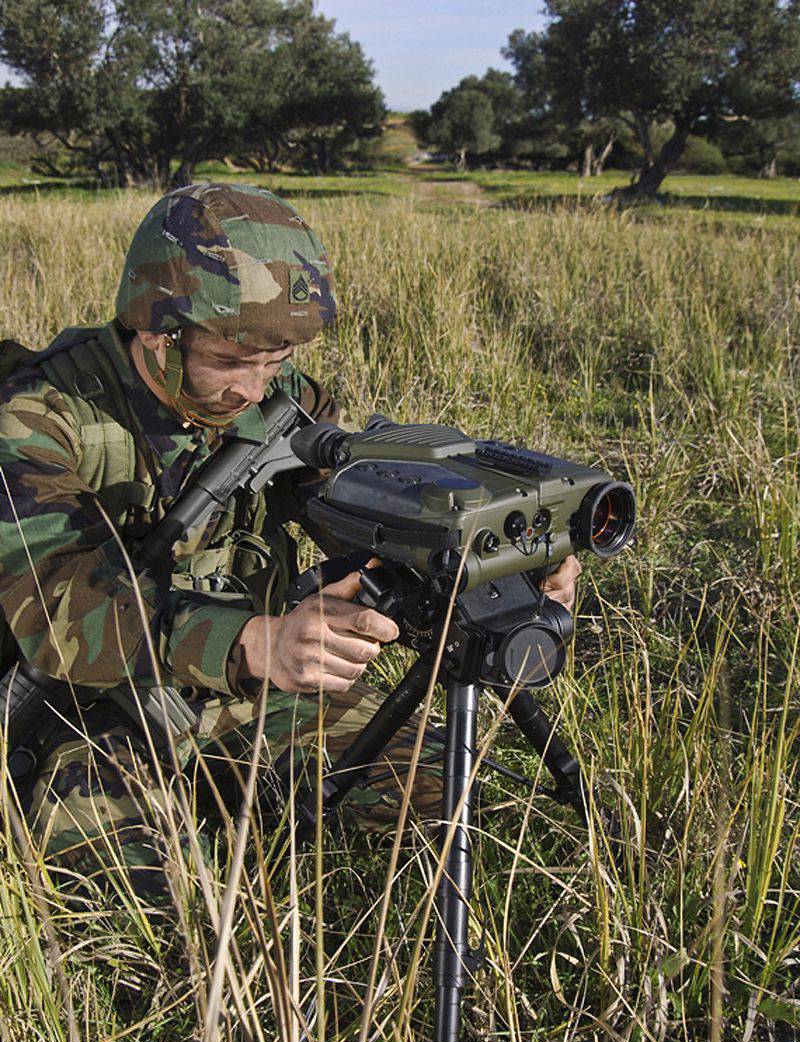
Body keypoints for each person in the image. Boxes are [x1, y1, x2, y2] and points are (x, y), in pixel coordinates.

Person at [0, 182, 580, 901]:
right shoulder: (39, 420)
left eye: (275, 360)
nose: (254, 388)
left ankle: (236, 792)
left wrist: (511, 551)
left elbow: (364, 505)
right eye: (232, 360)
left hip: (244, 691)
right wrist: (254, 642)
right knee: (168, 914)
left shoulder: (282, 399)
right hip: (83, 710)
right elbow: (59, 607)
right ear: (156, 327)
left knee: (442, 791)